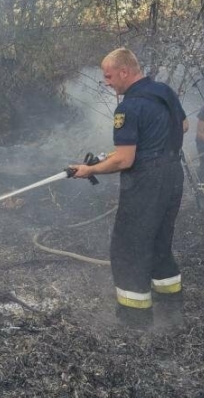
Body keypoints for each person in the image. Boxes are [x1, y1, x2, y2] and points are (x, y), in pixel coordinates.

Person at [70, 48, 188, 329]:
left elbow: (125, 159)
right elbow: (183, 125)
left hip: (146, 183)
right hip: (173, 176)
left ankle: (135, 321)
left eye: (109, 76)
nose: (107, 82)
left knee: (129, 247)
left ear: (124, 71)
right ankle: (171, 308)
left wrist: (90, 169)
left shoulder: (128, 108)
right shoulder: (163, 91)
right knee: (160, 241)